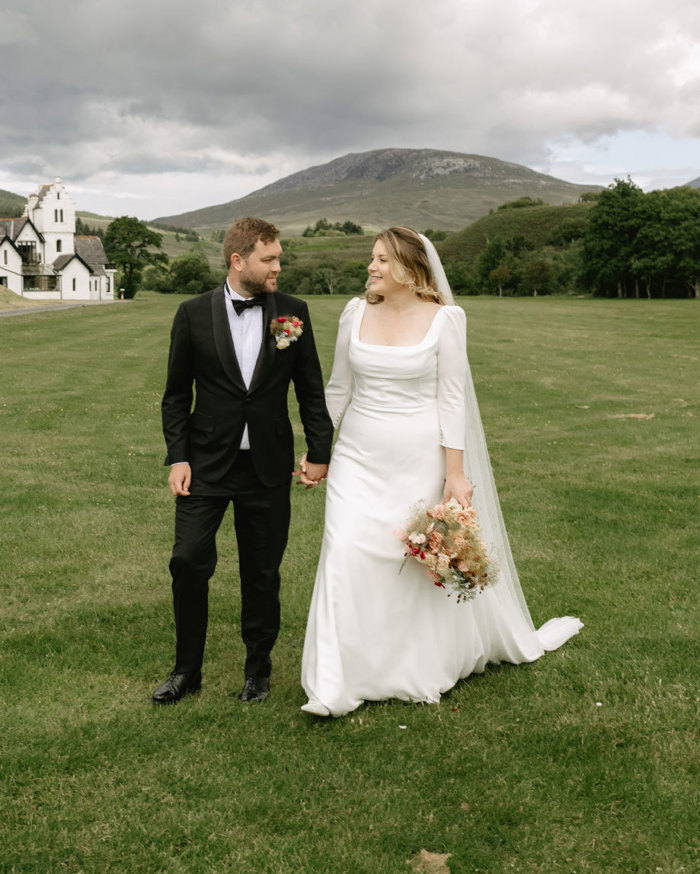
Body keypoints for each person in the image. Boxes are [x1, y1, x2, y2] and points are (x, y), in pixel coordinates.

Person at [301, 226, 582, 717]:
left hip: (417, 458)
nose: (372, 267)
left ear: (411, 269)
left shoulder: (446, 320)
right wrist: (318, 451)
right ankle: (333, 683)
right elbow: (338, 390)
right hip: (356, 458)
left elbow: (451, 398)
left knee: (403, 561)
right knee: (344, 551)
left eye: (383, 260)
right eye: (373, 258)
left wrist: (455, 474)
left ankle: (408, 666)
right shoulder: (354, 313)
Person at [153, 217, 332, 705]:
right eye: (269, 259)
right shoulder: (192, 314)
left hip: (267, 467)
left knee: (262, 572)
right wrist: (178, 458)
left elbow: (311, 389)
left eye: (278, 258)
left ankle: (258, 670)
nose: (279, 267)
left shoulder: (293, 313)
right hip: (206, 465)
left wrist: (320, 453)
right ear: (239, 260)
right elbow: (175, 396)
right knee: (188, 561)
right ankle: (186, 671)